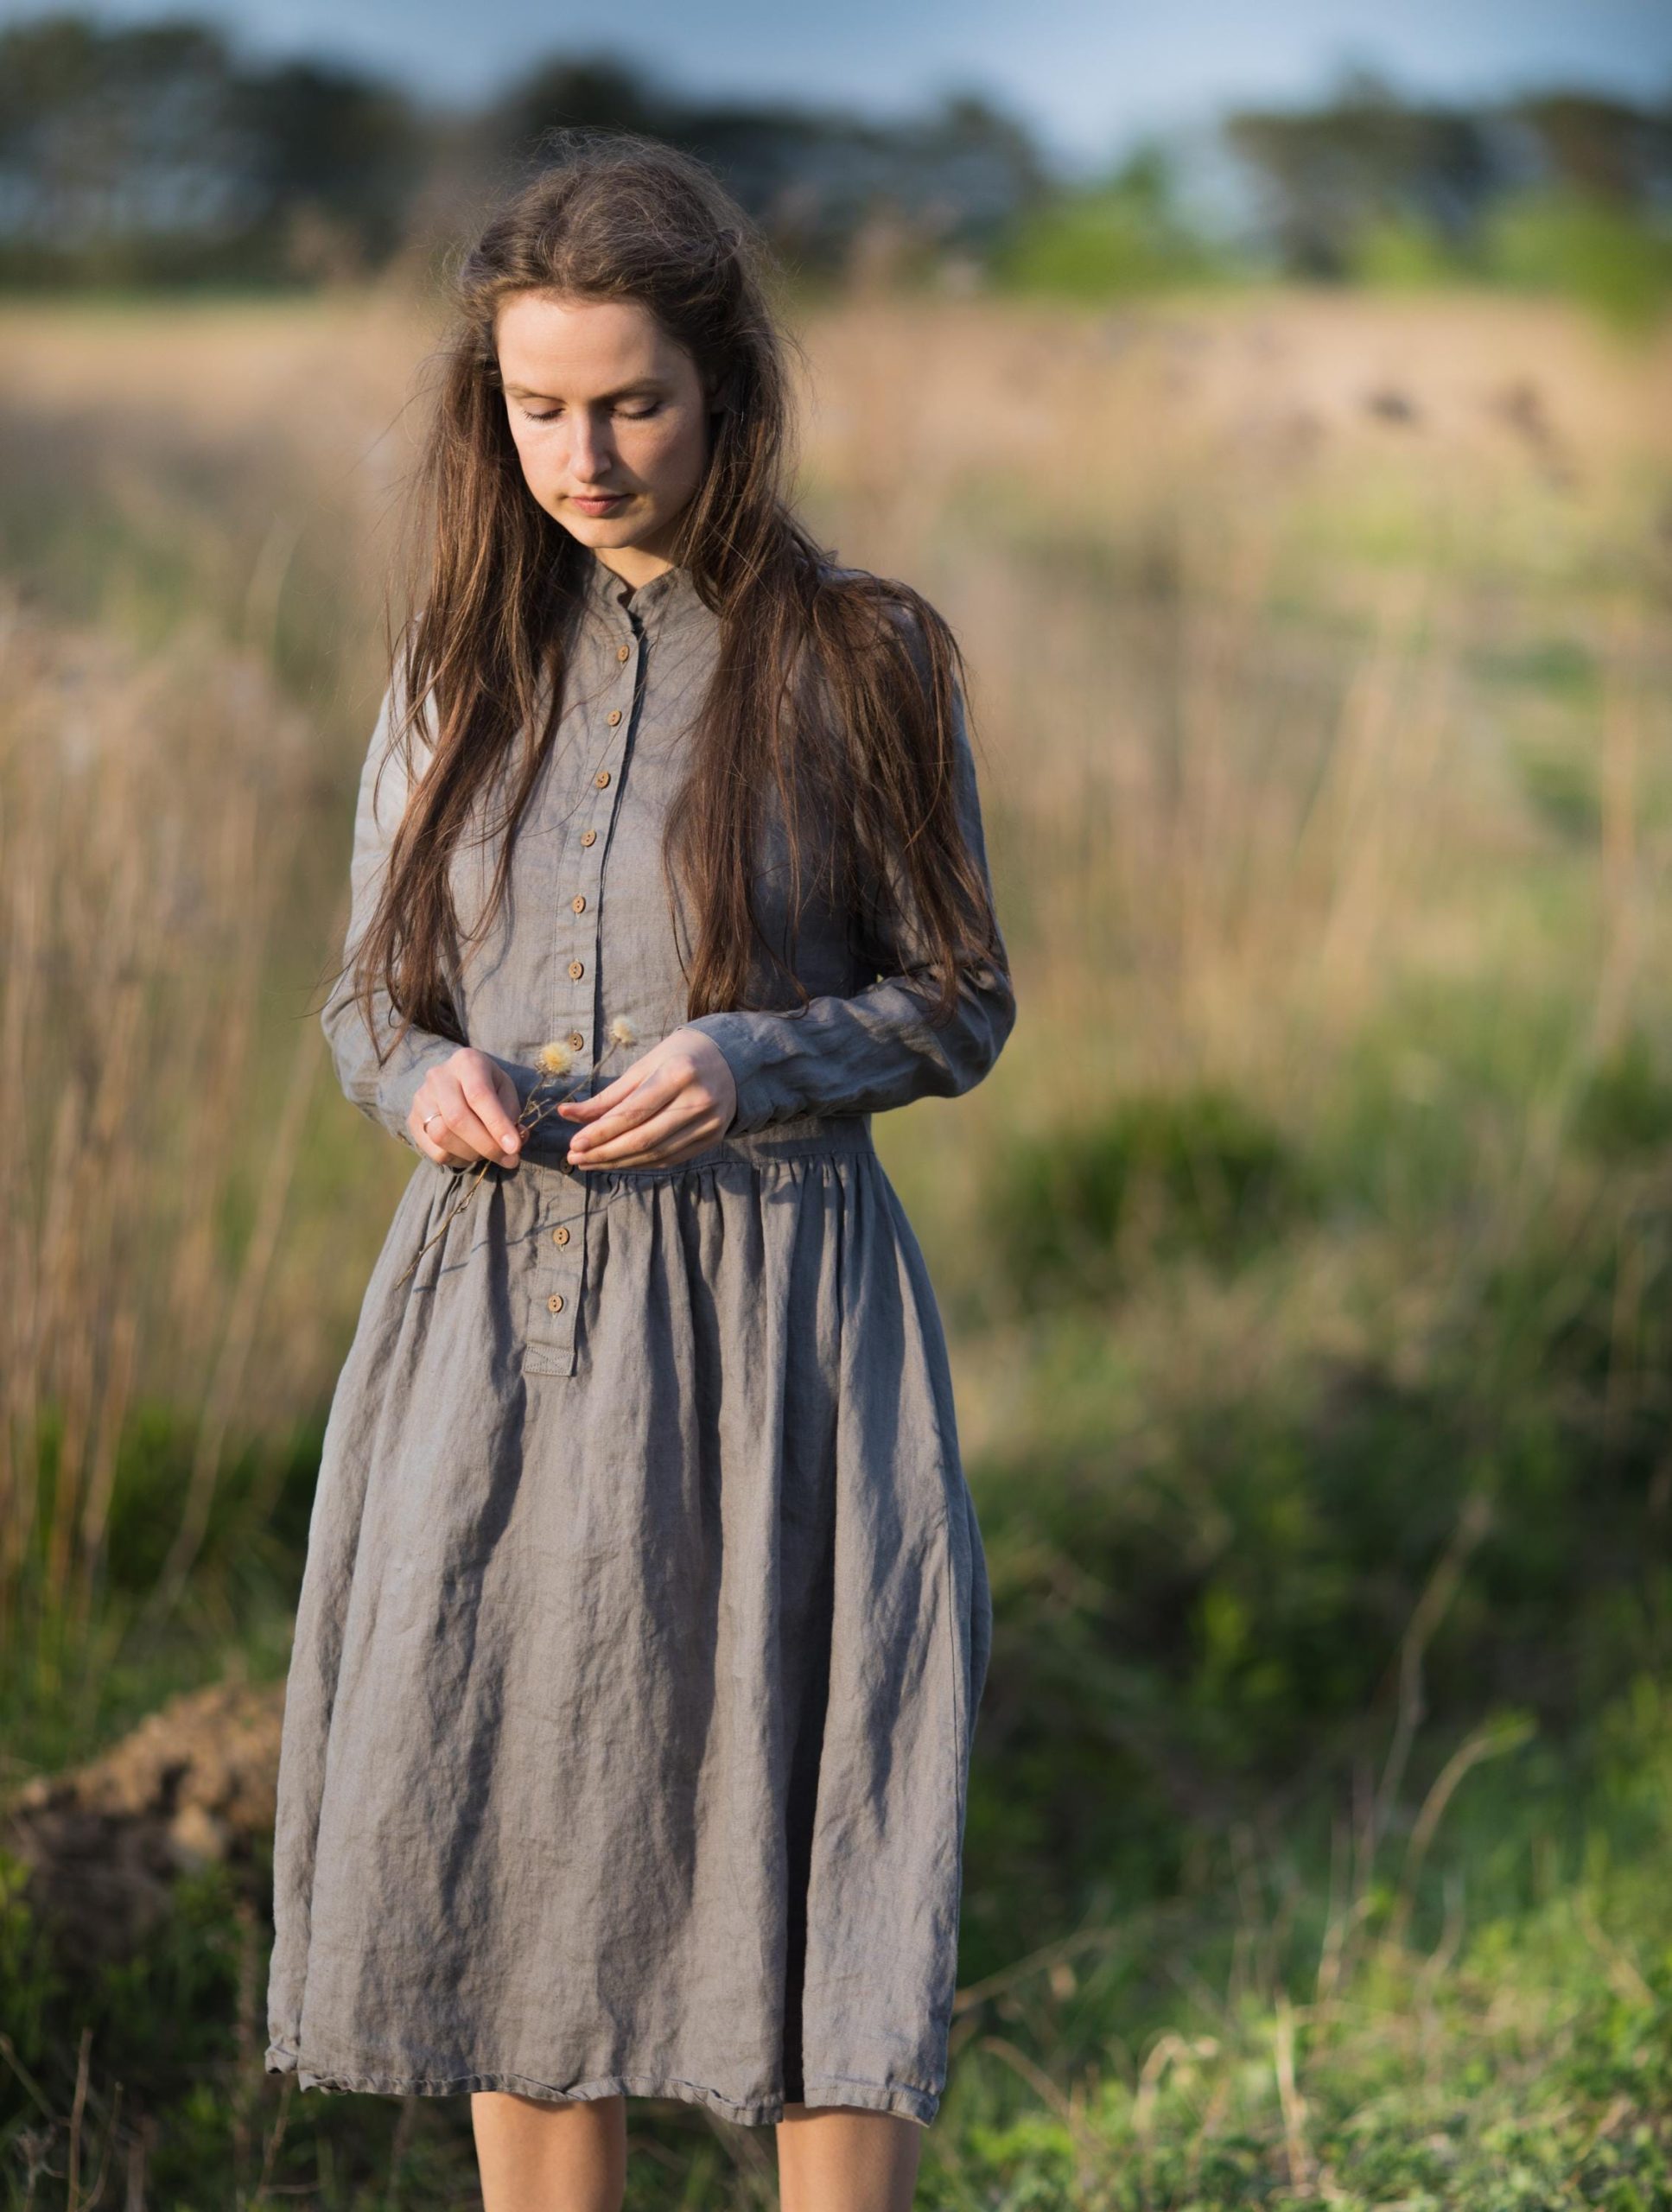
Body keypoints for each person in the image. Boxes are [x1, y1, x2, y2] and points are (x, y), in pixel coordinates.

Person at [264, 130, 1016, 2212]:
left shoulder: (865, 654)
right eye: (534, 408)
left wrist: (759, 1056)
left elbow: (959, 996)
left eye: (628, 404)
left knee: (810, 1816)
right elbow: (363, 1005)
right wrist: (417, 1078)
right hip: (488, 1336)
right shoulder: (450, 677)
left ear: (726, 391)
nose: (579, 453)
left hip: (779, 1329)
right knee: (508, 1800)